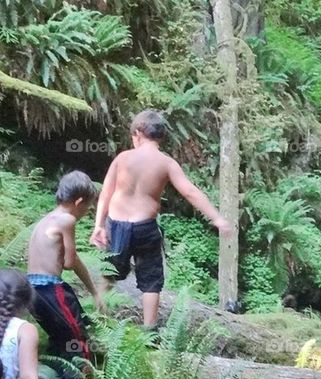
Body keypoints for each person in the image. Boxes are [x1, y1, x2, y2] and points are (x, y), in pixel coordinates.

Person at [90, 109, 230, 327]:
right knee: (151, 281)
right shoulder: (166, 163)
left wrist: (98, 225)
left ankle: (99, 320)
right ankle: (149, 330)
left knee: (108, 274)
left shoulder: (122, 158)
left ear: (137, 133)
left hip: (116, 225)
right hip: (145, 228)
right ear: (161, 137)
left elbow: (105, 195)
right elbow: (190, 192)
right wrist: (217, 218)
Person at [27, 170, 99, 379]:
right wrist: (94, 291)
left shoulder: (46, 219)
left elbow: (74, 261)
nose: (86, 213)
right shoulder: (67, 220)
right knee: (78, 340)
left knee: (60, 340)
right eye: (87, 208)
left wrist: (93, 289)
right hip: (51, 290)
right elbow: (69, 261)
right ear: (78, 202)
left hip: (32, 292)